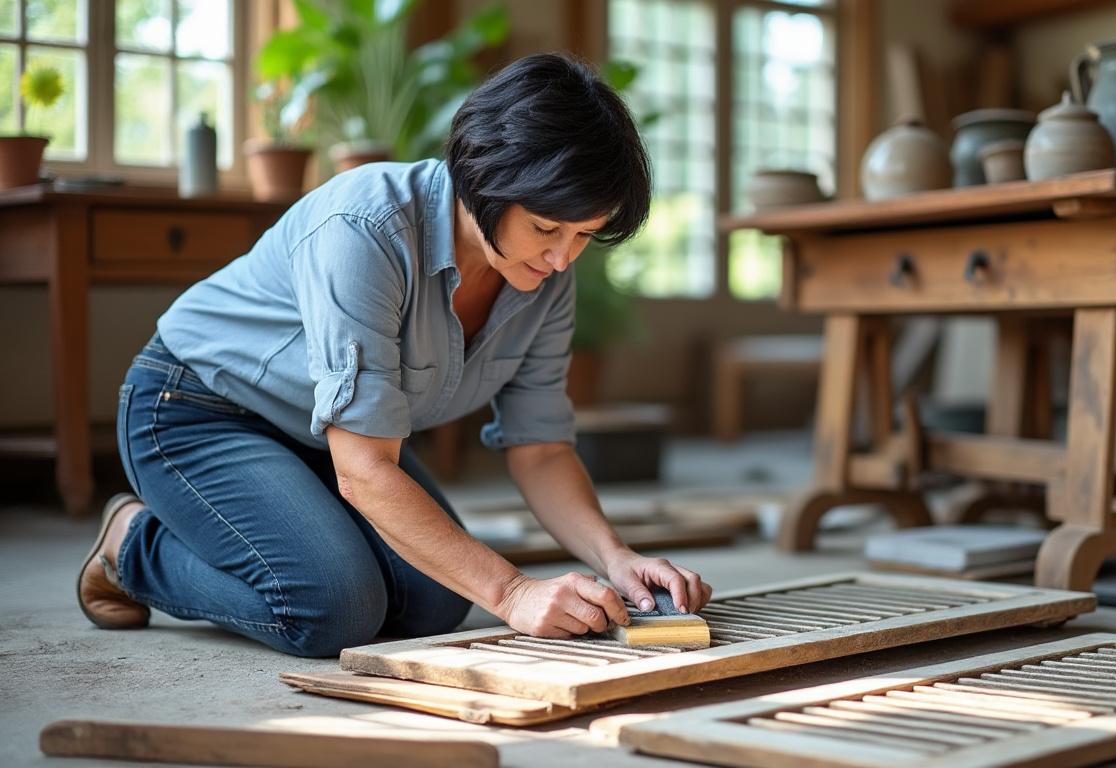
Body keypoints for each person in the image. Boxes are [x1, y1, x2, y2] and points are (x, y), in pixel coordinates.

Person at [76, 53, 712, 657]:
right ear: (483, 178)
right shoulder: (364, 228)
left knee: (434, 601)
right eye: (547, 229)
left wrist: (617, 559)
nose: (561, 258)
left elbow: (541, 447)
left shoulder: (547, 274)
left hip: (328, 435)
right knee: (333, 608)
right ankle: (131, 546)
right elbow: (365, 470)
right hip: (196, 408)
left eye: (585, 236)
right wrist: (513, 593)